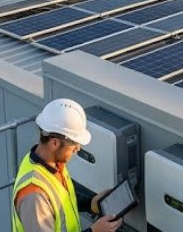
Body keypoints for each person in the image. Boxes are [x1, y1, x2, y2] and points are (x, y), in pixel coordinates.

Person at [12, 99, 123, 232]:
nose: (78, 148)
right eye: (74, 144)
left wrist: (90, 203)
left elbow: (61, 197)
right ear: (54, 143)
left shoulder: (50, 162)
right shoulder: (34, 197)